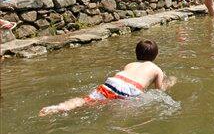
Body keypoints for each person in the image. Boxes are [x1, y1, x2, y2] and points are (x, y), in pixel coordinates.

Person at [39, 40, 176, 116]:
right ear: (155, 56)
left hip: (112, 83)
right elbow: (160, 90)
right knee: (122, 112)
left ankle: (59, 107)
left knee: (87, 100)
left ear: (136, 54)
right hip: (131, 89)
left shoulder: (130, 64)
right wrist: (170, 82)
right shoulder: (157, 69)